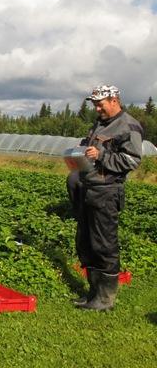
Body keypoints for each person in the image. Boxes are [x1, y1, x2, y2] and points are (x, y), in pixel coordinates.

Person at [66, 85, 143, 311]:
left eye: (100, 103)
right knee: (86, 243)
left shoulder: (128, 126)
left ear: (114, 100)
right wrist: (81, 149)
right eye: (94, 104)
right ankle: (93, 294)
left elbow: (131, 161)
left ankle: (105, 298)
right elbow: (92, 146)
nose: (97, 108)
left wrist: (101, 155)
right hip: (89, 189)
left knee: (104, 245)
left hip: (106, 192)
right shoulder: (100, 123)